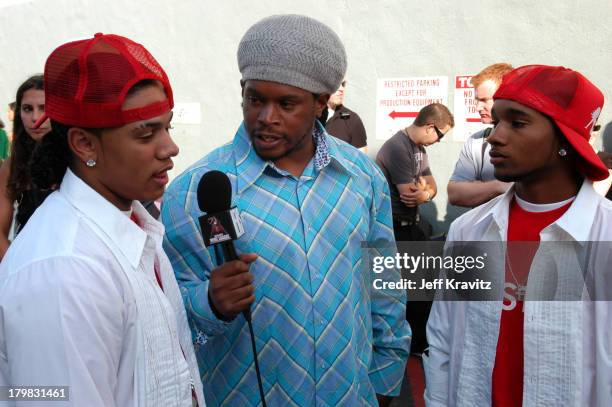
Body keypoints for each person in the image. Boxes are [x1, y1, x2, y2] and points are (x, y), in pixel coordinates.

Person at [162, 15, 410, 407]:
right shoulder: (195, 192)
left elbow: (383, 280)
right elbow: (167, 314)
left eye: (286, 103)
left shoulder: (362, 177)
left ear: (320, 103)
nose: (266, 117)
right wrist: (209, 302)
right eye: (255, 99)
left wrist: (384, 378)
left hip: (352, 395)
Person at [0, 33, 205, 406]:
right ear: (85, 145)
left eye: (167, 127)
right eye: (146, 134)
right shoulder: (63, 271)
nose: (170, 148)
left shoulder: (139, 225)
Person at [424, 65, 612, 406]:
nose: (495, 135)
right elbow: (443, 339)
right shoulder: (469, 230)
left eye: (518, 122)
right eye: (496, 121)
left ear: (564, 140)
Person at [376, 103, 453, 242]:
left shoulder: (419, 149)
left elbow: (432, 186)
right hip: (394, 230)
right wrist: (424, 190)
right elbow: (410, 198)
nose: (439, 141)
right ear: (430, 128)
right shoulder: (397, 148)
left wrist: (426, 193)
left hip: (410, 225)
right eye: (440, 135)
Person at [0, 75, 52, 259]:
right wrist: (17, 268)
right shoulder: (13, 164)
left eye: (44, 108)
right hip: (28, 260)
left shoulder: (80, 158)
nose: (35, 118)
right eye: (27, 109)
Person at [447, 63, 514, 207]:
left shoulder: (532, 138)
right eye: (477, 100)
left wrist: (479, 187)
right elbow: (455, 193)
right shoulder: (476, 141)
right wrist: (500, 187)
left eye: (484, 100)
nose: (478, 107)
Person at [325, 78, 368, 152]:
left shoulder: (352, 118)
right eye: (337, 84)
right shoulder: (310, 117)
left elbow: (361, 157)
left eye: (343, 84)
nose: (341, 89)